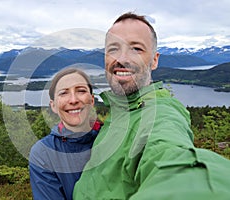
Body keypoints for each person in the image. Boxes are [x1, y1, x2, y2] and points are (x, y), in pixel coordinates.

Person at [73, 12, 230, 199]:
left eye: (136, 49)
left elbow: (169, 154)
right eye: (113, 49)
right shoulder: (120, 111)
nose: (122, 59)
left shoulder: (159, 113)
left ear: (154, 60)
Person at [29, 68, 102, 200]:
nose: (73, 100)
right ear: (53, 106)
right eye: (63, 93)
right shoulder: (44, 154)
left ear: (92, 100)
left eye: (81, 91)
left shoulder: (114, 138)